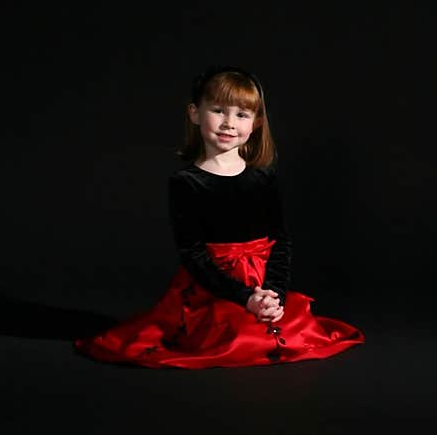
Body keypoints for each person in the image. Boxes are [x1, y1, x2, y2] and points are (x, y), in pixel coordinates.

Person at [75, 65, 364, 368]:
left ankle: (266, 307)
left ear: (256, 123)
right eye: (218, 111)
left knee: (285, 331)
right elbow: (192, 253)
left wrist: (273, 294)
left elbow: (280, 241)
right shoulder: (187, 183)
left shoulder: (262, 177)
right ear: (195, 113)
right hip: (213, 286)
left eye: (241, 115)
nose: (228, 123)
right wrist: (244, 298)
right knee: (233, 338)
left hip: (262, 281)